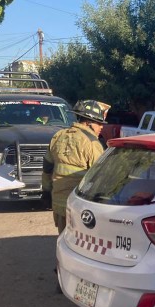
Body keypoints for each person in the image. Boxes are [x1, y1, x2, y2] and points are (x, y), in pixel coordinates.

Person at [42, 99, 110, 232]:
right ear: (88, 123)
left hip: (59, 204)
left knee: (64, 241)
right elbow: (101, 178)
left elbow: (47, 167)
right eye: (98, 123)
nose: (101, 127)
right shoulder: (92, 143)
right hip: (81, 208)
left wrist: (45, 191)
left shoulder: (58, 136)